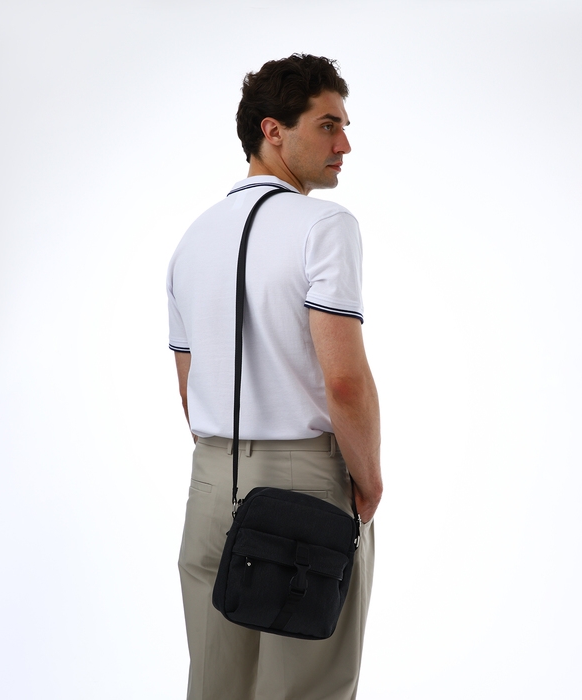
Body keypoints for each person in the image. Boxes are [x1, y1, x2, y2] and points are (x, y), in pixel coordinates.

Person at [167, 53, 382, 700]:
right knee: (306, 688)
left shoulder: (192, 240)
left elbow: (190, 388)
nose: (344, 145)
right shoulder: (325, 227)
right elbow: (344, 382)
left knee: (216, 687)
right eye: (327, 125)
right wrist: (368, 479)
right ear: (273, 131)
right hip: (305, 483)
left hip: (210, 483)